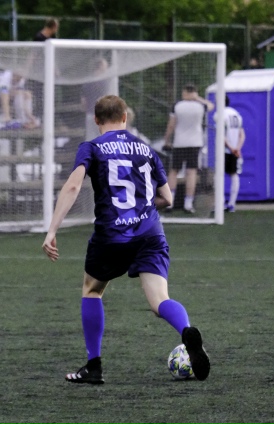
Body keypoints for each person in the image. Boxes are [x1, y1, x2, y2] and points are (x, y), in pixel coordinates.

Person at [42, 95, 210, 384]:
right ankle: (186, 331)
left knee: (92, 290)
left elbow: (72, 187)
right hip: (150, 233)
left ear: (96, 120)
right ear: (125, 117)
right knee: (160, 300)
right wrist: (141, 209)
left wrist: (52, 230)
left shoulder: (91, 147)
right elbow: (167, 198)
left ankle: (94, 366)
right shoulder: (146, 149)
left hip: (112, 235)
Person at [163, 84, 214, 214]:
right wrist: (198, 98)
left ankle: (170, 202)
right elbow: (211, 106)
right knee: (191, 172)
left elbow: (171, 125)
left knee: (174, 171)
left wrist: (167, 140)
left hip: (179, 142)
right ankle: (188, 204)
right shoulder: (200, 106)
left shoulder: (177, 106)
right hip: (195, 143)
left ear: (184, 92)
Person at [220, 95, 245, 213]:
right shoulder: (236, 114)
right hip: (234, 150)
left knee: (218, 176)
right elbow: (242, 134)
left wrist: (230, 147)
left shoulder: (220, 114)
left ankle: (220, 203)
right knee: (234, 175)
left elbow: (221, 134)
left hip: (224, 150)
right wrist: (237, 148)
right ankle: (232, 203)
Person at [81, 57, 111, 141]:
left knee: (91, 138)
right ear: (100, 66)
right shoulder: (104, 81)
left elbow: (83, 101)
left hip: (90, 113)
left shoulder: (88, 81)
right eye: (105, 66)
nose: (106, 68)